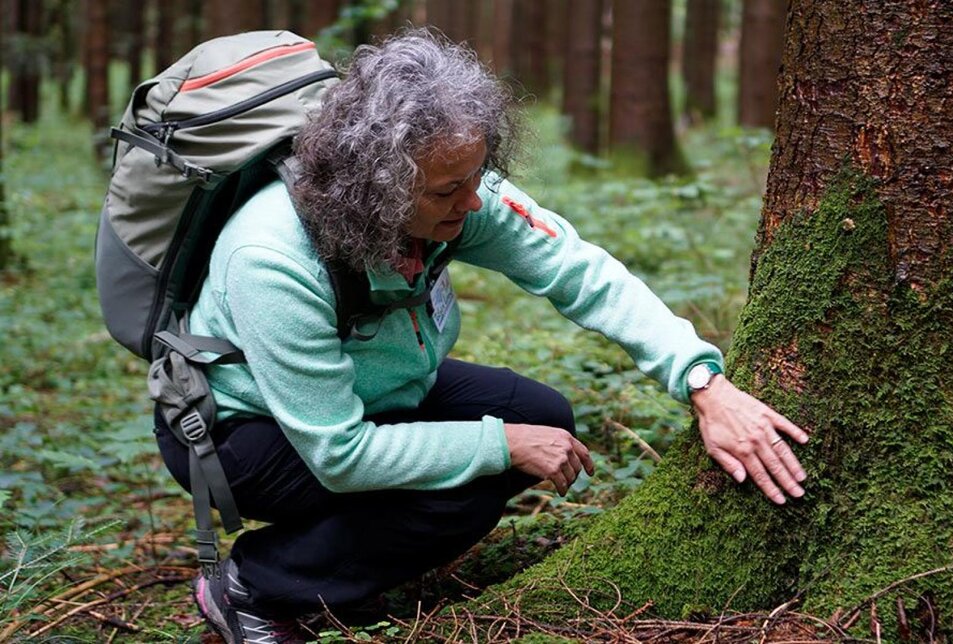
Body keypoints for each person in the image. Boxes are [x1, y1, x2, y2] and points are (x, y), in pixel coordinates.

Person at [156, 29, 809, 644]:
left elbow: (579, 271)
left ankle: (343, 561)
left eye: (478, 176)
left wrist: (702, 382)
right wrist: (498, 444)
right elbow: (339, 453)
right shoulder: (272, 257)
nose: (474, 203)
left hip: (374, 390)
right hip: (240, 431)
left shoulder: (454, 186)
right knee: (465, 489)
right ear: (380, 189)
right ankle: (255, 584)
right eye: (450, 190)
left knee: (540, 417)